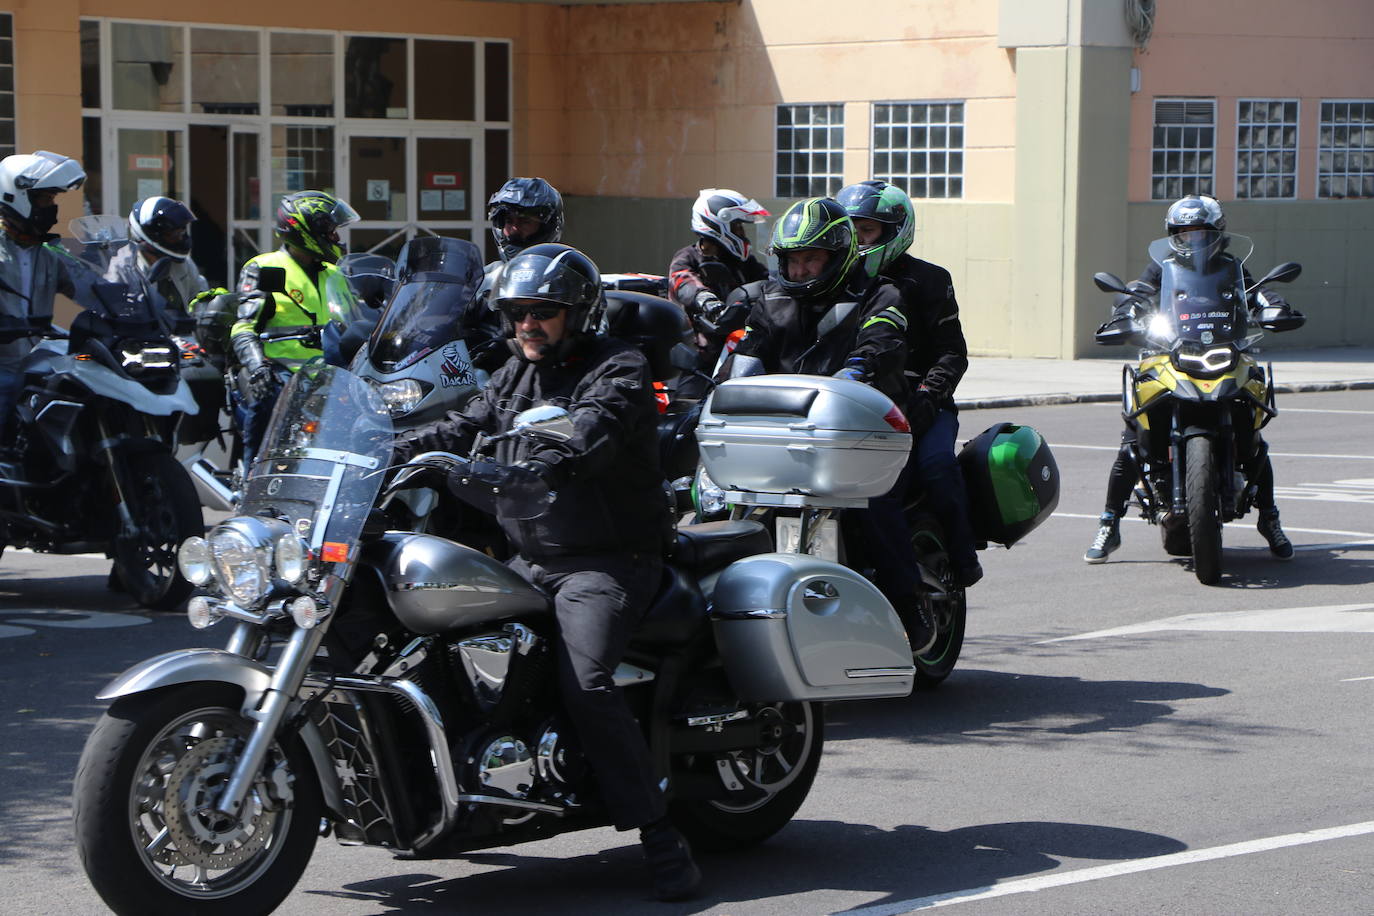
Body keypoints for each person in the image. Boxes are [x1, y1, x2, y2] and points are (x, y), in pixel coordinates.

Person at [392, 242, 701, 902]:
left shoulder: (618, 367)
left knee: (586, 680)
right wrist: (380, 450)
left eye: (543, 313)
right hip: (531, 557)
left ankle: (659, 836)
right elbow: (463, 423)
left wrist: (548, 463)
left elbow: (592, 430)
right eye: (516, 313)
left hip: (607, 562)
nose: (525, 325)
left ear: (579, 314)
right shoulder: (514, 371)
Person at [724, 196, 936, 652]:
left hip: (861, 434)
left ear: (837, 257)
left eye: (811, 259)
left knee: (875, 506)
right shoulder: (769, 300)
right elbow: (747, 354)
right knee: (721, 505)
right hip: (787, 437)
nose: (799, 271)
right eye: (792, 260)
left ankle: (909, 602)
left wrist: (854, 373)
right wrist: (719, 390)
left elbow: (882, 341)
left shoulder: (881, 294)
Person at [1084, 194, 1303, 563]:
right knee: (1132, 441)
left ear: (1217, 234)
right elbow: (1138, 293)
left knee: (1254, 439)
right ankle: (1109, 522)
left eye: (1201, 233)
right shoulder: (1161, 267)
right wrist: (1124, 314)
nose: (1193, 241)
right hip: (1171, 351)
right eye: (1185, 234)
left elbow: (1257, 294)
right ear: (1173, 235)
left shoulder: (1232, 266)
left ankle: (1269, 518)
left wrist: (1274, 306)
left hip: (1224, 351)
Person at [837, 180, 982, 589]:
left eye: (867, 231)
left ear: (895, 230)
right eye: (852, 230)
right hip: (859, 403)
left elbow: (952, 353)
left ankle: (962, 557)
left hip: (922, 403)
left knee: (936, 465)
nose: (858, 240)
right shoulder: (840, 279)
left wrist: (928, 397)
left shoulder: (931, 280)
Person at [229, 189, 359, 471]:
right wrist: (257, 367)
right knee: (268, 401)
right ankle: (255, 476)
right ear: (306, 231)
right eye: (330, 230)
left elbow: (358, 321)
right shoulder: (265, 267)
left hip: (332, 374)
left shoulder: (335, 274)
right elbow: (244, 327)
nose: (336, 238)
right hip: (283, 374)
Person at [0, 151, 92, 447]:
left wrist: (129, 304)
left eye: (53, 200)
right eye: (44, 199)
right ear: (16, 197)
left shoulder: (48, 252)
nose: (51, 208)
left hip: (38, 362)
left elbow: (89, 286)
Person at [466, 177, 566, 372]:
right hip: (477, 380)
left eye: (524, 221)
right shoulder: (486, 277)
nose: (512, 230)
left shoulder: (567, 276)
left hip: (542, 380)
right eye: (507, 221)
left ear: (548, 225)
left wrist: (509, 351)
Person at [667, 188, 769, 370]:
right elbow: (683, 281)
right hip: (698, 351)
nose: (742, 233)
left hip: (740, 342)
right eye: (738, 227)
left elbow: (767, 283)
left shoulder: (744, 262)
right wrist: (706, 300)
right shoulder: (687, 257)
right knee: (690, 394)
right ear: (718, 225)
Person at [104, 196, 207, 319]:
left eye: (181, 232)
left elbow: (200, 298)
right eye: (172, 233)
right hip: (143, 335)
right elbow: (115, 310)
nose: (179, 238)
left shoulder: (184, 263)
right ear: (150, 234)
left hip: (183, 335)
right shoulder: (123, 268)